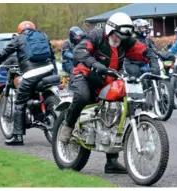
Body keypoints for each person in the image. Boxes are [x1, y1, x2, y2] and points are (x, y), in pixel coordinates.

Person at [58, 12, 161, 174]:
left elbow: (144, 51)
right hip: (84, 74)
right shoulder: (96, 36)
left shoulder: (126, 41)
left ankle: (111, 161)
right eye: (118, 36)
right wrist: (94, 64)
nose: (120, 40)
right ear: (110, 30)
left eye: (123, 37)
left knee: (119, 107)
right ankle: (68, 126)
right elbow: (80, 52)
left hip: (109, 77)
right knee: (83, 96)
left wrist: (154, 62)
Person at [0, 21, 56, 145]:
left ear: (19, 30)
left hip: (31, 73)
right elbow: (51, 54)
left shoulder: (18, 38)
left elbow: (5, 52)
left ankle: (17, 137)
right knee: (35, 92)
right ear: (34, 29)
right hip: (48, 69)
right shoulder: (43, 36)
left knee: (19, 102)